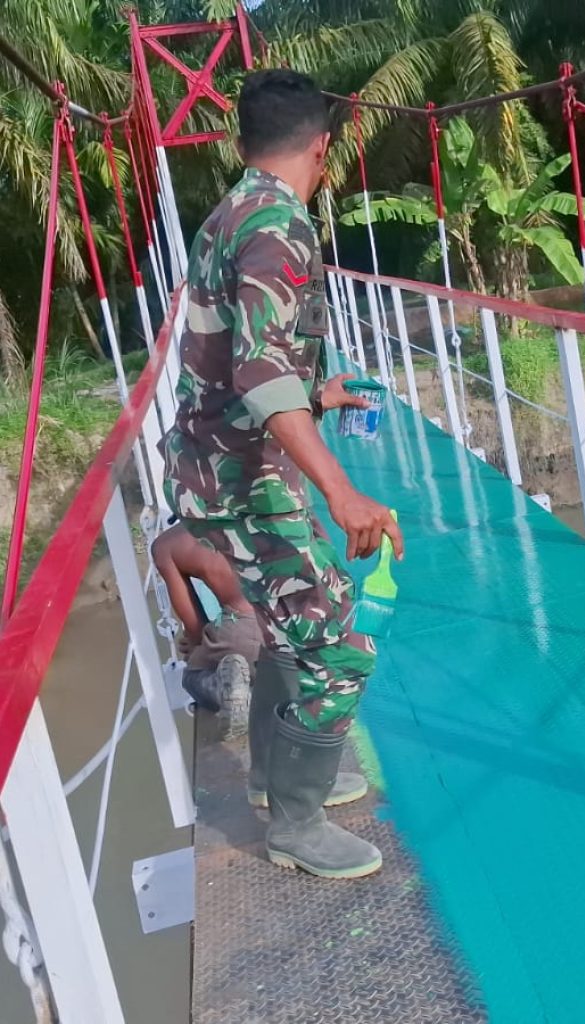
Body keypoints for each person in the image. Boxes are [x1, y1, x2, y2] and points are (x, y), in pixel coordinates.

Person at [160, 68, 404, 881]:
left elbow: (238, 356)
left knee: (284, 622)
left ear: (242, 142)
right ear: (323, 148)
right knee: (338, 647)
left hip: (215, 469)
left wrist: (318, 394)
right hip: (243, 481)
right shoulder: (279, 223)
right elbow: (260, 369)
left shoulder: (230, 212)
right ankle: (296, 826)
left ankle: (272, 776)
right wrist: (342, 489)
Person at [151, 523, 262, 739]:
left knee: (192, 675)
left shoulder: (171, 541)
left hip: (244, 629)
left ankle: (230, 694)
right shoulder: (287, 515)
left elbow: (195, 631)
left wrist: (199, 643)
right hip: (302, 625)